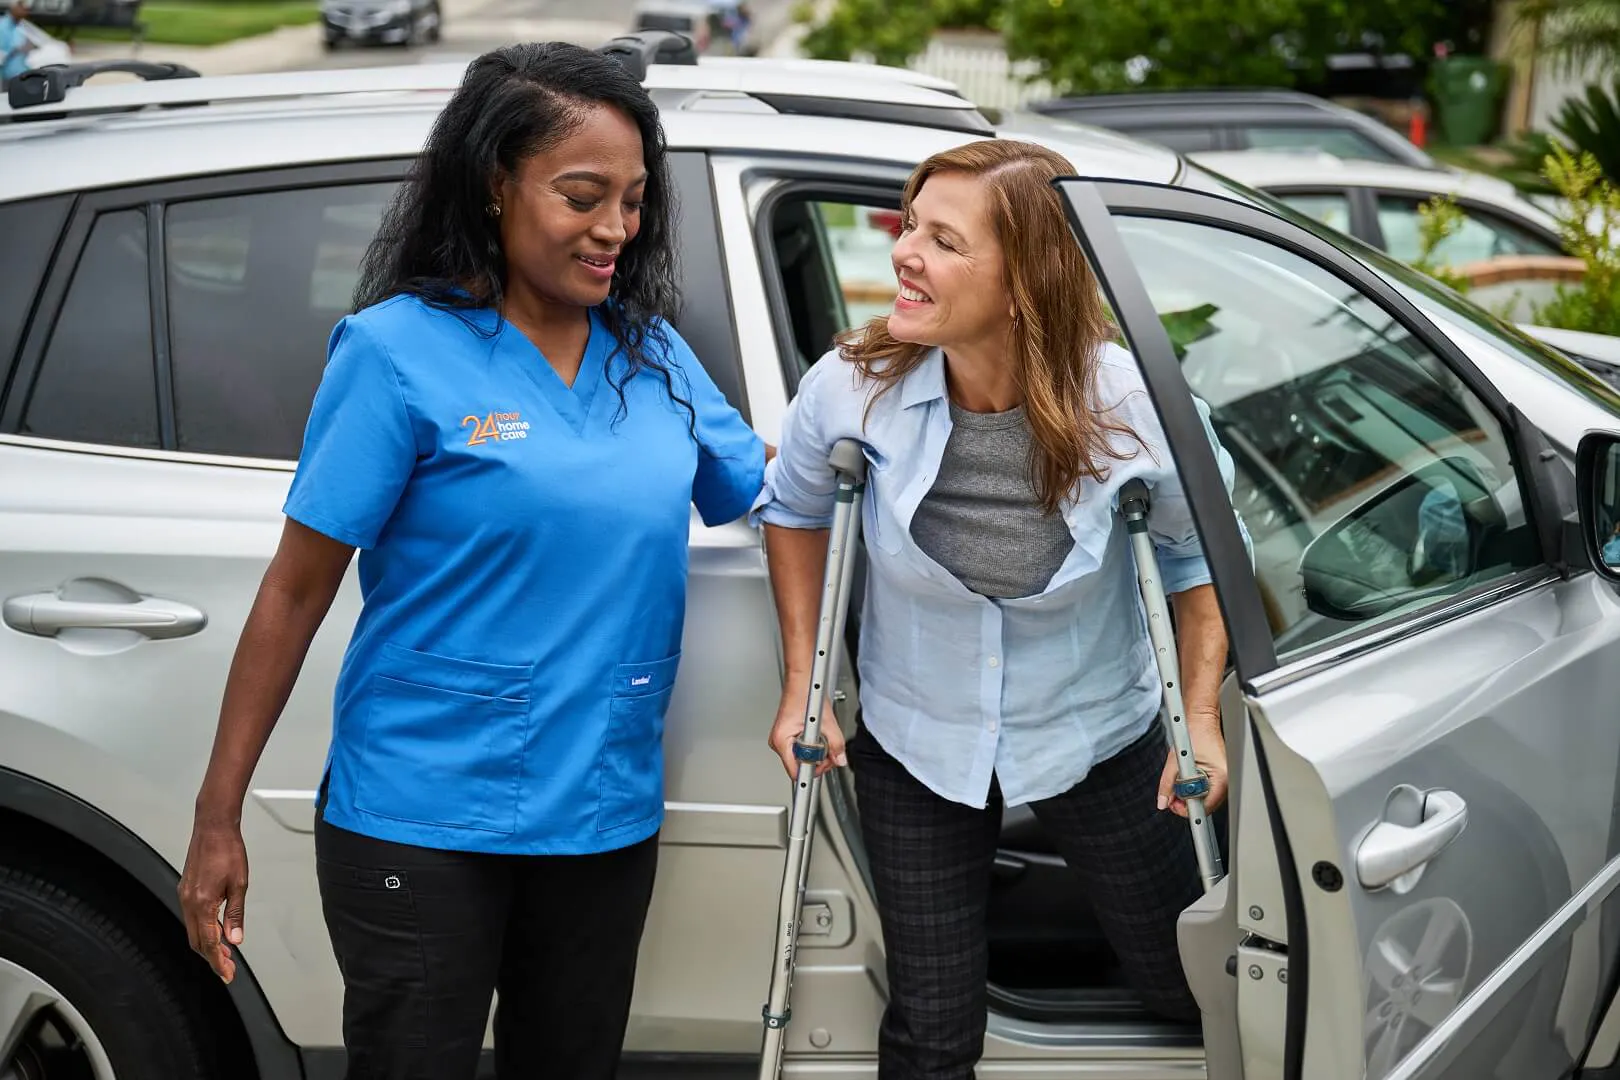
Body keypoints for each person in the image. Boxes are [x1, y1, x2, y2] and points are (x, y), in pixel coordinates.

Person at [177, 41, 766, 1080]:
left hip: (600, 814)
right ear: (497, 185)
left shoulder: (652, 354)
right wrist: (218, 818)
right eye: (584, 196)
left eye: (634, 200)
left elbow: (771, 488)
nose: (617, 229)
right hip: (421, 818)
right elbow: (295, 591)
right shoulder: (394, 352)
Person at [752, 138, 1243, 1078]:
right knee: (932, 1029)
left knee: (1180, 980)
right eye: (912, 225)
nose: (904, 251)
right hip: (916, 732)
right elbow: (799, 512)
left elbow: (1198, 555)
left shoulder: (1136, 405)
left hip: (1096, 729)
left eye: (944, 240)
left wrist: (1203, 720)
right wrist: (801, 686)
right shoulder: (852, 386)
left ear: (1023, 281)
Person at [0, 1, 36, 90]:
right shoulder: (2, 26)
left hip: (23, 75)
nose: (25, 12)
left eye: (27, 9)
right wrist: (16, 49)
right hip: (7, 78)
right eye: (23, 8)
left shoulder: (21, 26)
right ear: (14, 7)